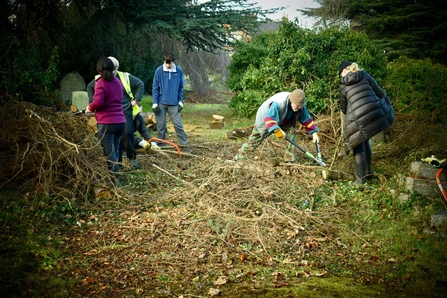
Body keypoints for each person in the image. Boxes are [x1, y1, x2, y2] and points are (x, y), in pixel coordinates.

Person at [338, 61, 394, 185]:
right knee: (365, 138)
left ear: (344, 71)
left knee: (357, 145)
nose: (341, 76)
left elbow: (343, 107)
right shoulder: (364, 75)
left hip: (358, 116)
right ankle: (368, 172)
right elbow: (380, 92)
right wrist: (387, 106)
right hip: (374, 111)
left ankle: (360, 181)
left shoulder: (343, 84)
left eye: (340, 74)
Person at [87, 56, 145, 167]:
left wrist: (136, 99)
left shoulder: (123, 77)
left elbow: (140, 84)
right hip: (111, 115)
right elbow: (90, 88)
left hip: (124, 110)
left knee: (127, 133)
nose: (113, 70)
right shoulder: (100, 79)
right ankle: (118, 164)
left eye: (115, 67)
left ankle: (131, 157)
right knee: (114, 142)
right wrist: (92, 101)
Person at [234, 89, 320, 162]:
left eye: (300, 106)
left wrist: (314, 133)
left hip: (282, 120)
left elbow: (306, 119)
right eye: (296, 105)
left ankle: (290, 160)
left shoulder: (299, 105)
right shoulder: (278, 103)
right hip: (265, 119)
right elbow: (269, 119)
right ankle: (238, 158)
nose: (298, 107)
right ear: (291, 100)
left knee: (292, 132)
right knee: (254, 140)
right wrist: (277, 130)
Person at [85, 57, 125, 183]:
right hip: (120, 122)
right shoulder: (118, 81)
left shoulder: (101, 83)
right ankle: (118, 174)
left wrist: (90, 107)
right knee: (116, 148)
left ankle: (114, 179)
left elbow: (98, 103)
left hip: (107, 123)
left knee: (109, 152)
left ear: (100, 70)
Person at [152, 52, 193, 153]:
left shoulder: (178, 71)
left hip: (174, 103)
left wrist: (181, 101)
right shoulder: (159, 71)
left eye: (170, 63)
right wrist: (155, 102)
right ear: (164, 61)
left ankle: (184, 146)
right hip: (161, 103)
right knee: (160, 126)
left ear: (173, 62)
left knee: (178, 125)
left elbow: (180, 87)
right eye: (166, 63)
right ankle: (162, 146)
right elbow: (155, 88)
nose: (168, 65)